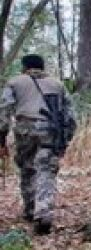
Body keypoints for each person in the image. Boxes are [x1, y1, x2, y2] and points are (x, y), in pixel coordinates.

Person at [0, 54, 76, 234]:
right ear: (43, 67)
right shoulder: (58, 85)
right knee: (46, 170)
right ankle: (43, 213)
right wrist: (65, 141)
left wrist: (1, 137)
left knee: (27, 169)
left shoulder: (15, 82)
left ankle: (29, 209)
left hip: (24, 130)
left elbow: (4, 111)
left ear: (24, 67)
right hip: (50, 132)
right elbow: (71, 117)